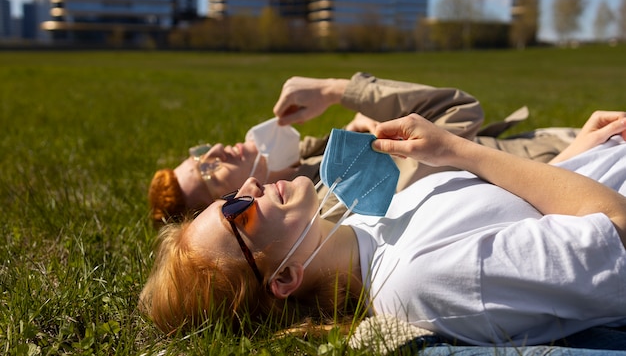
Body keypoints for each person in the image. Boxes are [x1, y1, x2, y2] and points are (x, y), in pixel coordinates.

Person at [139, 109, 626, 348]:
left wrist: (577, 156)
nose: (251, 185)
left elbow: (519, 211)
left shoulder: (365, 222)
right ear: (283, 279)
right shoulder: (422, 279)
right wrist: (459, 151)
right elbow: (618, 230)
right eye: (238, 214)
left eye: (232, 195)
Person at [148, 72, 576, 227]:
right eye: (209, 171)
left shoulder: (306, 166)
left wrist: (350, 128)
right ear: (235, 208)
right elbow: (459, 111)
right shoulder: (337, 193)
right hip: (567, 169)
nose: (217, 150)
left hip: (553, 146)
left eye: (200, 151)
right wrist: (338, 90)